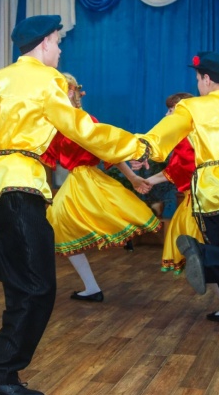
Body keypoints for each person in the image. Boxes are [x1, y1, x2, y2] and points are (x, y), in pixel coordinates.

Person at [0, 15, 150, 395]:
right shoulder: (49, 80)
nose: (60, 50)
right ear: (45, 42)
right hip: (22, 185)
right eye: (58, 42)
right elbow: (82, 129)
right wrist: (136, 145)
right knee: (39, 287)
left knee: (23, 283)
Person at [137, 51, 219, 364]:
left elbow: (162, 136)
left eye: (198, 79)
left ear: (207, 79)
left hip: (209, 199)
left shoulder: (191, 108)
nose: (197, 84)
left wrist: (140, 149)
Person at [41, 72, 159, 303]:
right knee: (60, 226)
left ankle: (92, 285)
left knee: (62, 223)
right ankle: (91, 287)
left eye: (60, 90)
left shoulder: (85, 120)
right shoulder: (54, 125)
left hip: (87, 179)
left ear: (71, 92)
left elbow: (108, 150)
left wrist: (132, 177)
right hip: (76, 179)